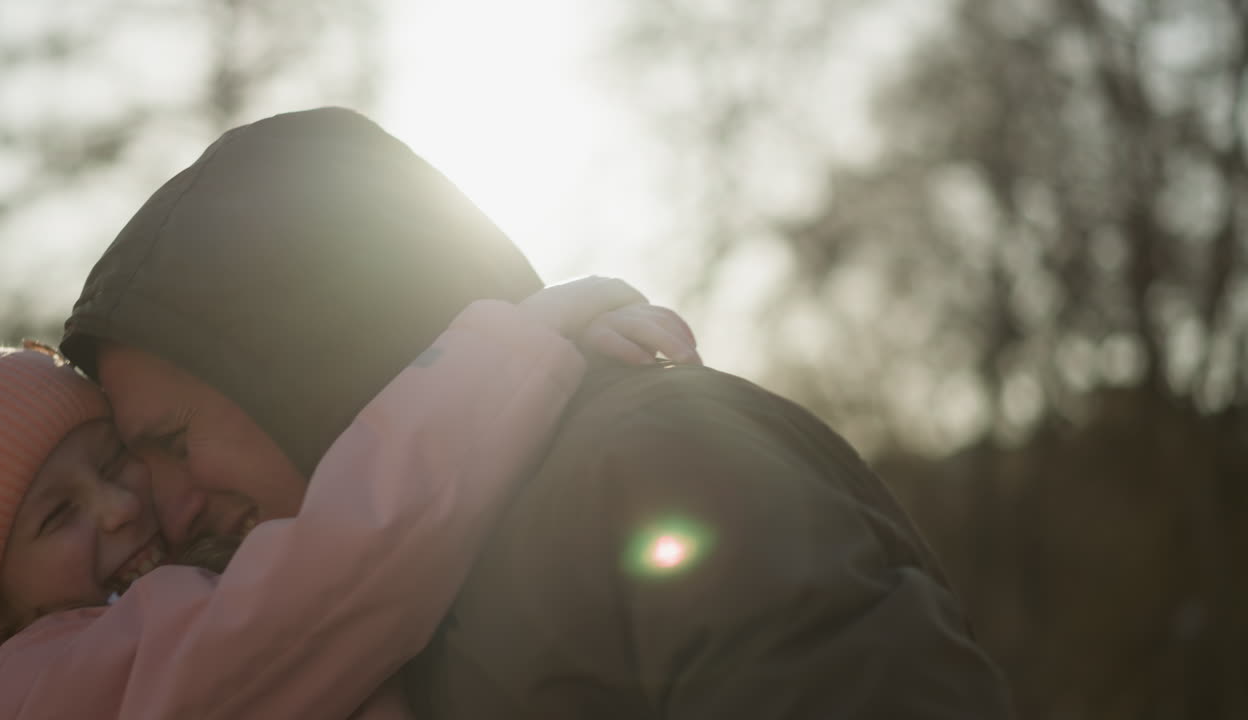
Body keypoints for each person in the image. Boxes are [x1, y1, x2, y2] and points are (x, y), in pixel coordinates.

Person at [61, 107, 1015, 718]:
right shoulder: (340, 622)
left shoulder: (652, 461)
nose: (169, 511)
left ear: (297, 346)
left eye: (174, 443)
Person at [0, 280, 700, 719]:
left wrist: (566, 372)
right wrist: (518, 351)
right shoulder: (30, 693)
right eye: (56, 515)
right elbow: (332, 572)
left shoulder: (174, 590)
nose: (118, 507)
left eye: (114, 461)